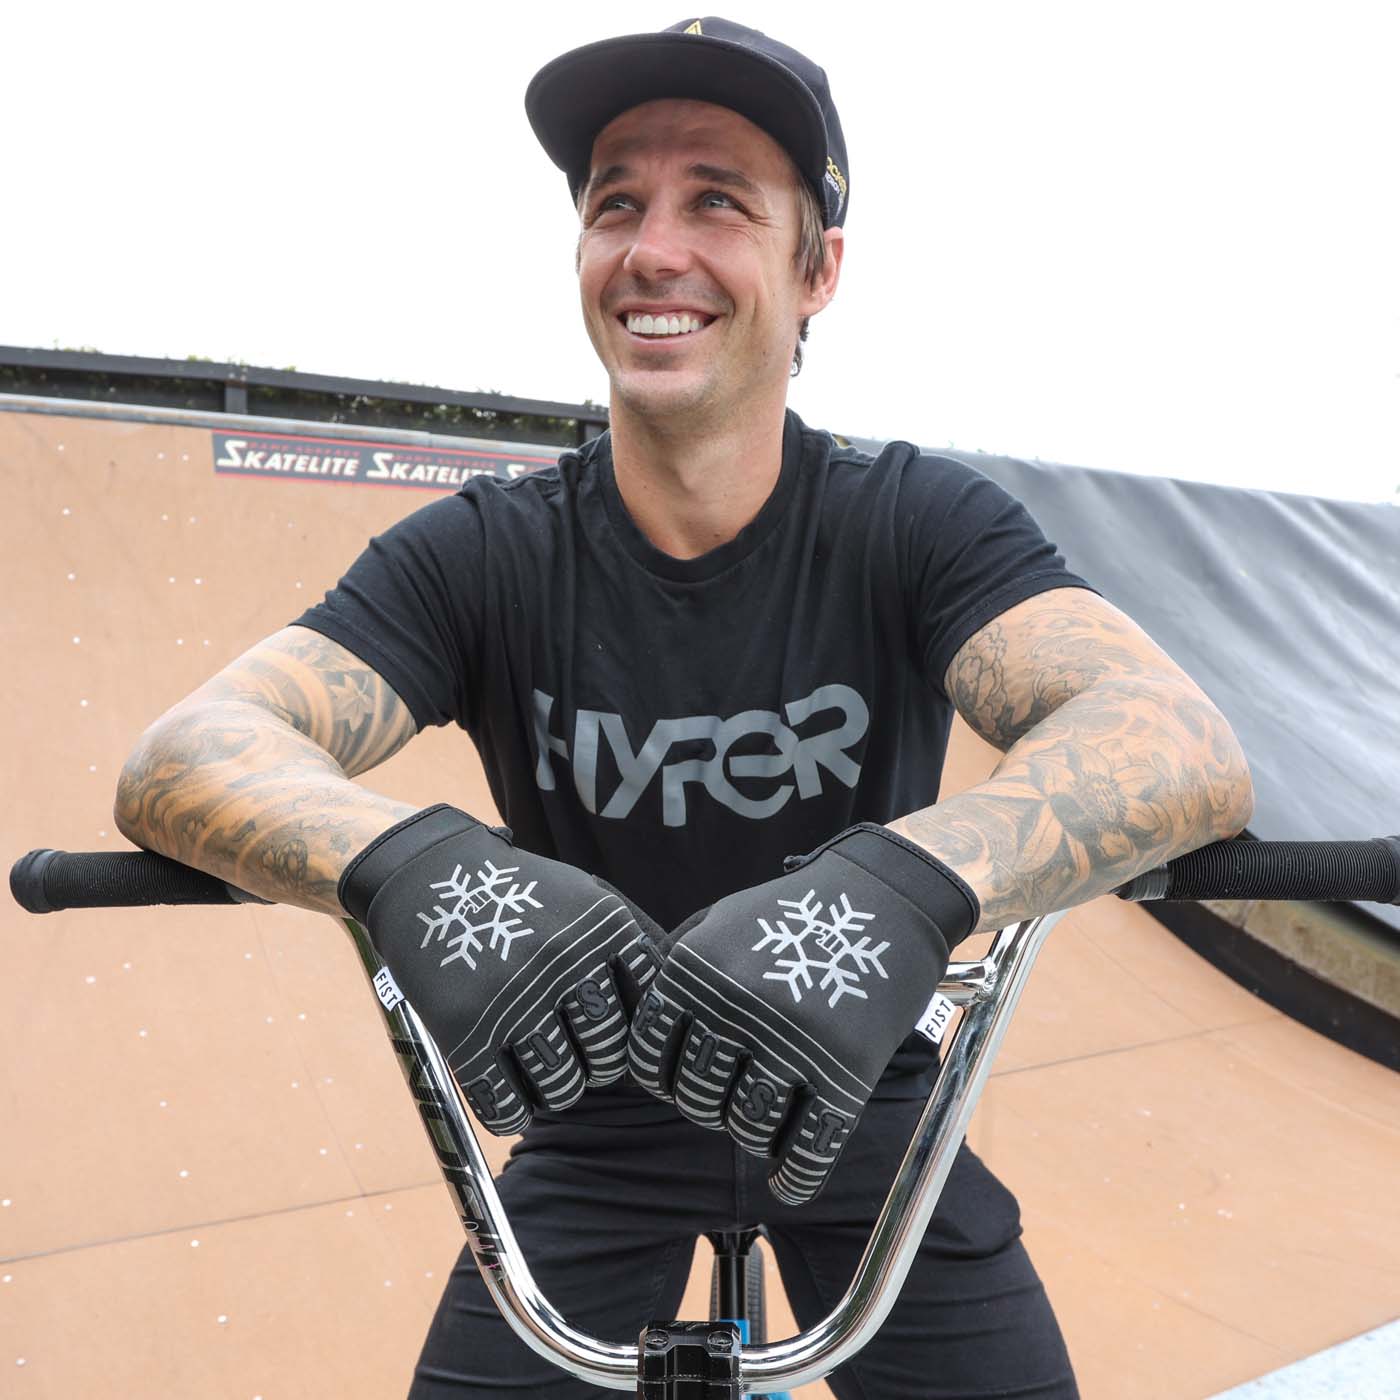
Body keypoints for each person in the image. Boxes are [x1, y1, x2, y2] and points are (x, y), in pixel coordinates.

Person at [115, 17, 1254, 1398]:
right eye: (616, 205)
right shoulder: (487, 554)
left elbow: (1171, 737)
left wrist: (892, 893)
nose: (655, 250)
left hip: (862, 1101)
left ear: (817, 268)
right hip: (592, 1111)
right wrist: (421, 869)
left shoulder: (913, 523)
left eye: (718, 200)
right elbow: (192, 752)